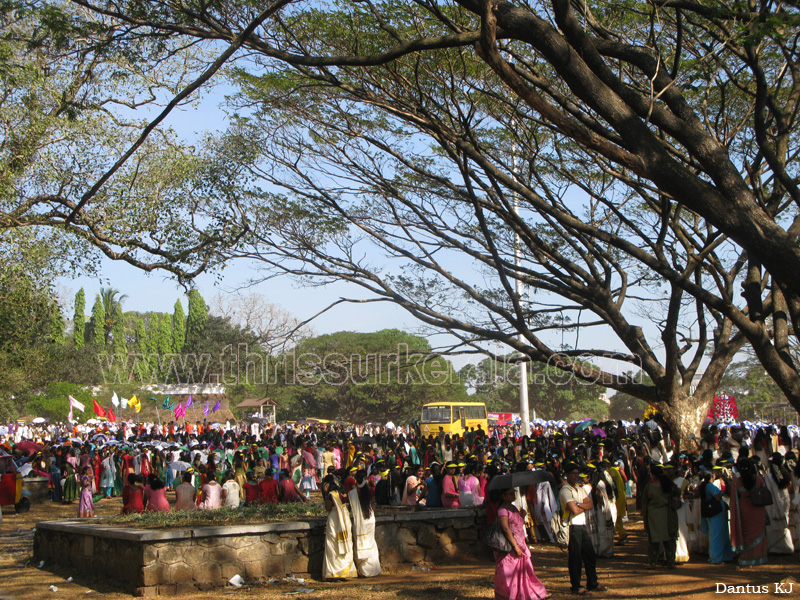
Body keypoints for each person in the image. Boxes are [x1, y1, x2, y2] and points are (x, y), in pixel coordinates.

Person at [493, 487, 549, 600]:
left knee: (525, 571)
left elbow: (517, 524)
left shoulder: (513, 508)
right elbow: (506, 528)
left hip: (521, 543)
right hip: (511, 546)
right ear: (504, 496)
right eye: (510, 493)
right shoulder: (503, 510)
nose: (513, 495)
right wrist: (515, 546)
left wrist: (522, 515)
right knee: (510, 572)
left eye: (514, 493)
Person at [559, 464, 606, 596]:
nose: (576, 476)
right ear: (567, 475)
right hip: (573, 526)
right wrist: (581, 506)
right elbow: (573, 510)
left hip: (582, 524)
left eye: (577, 473)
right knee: (575, 557)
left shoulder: (579, 489)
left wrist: (578, 504)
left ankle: (592, 582)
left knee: (589, 554)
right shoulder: (565, 491)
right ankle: (576, 585)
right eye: (573, 473)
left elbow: (589, 504)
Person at [729, 458, 769, 567]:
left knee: (746, 533)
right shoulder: (758, 479)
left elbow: (733, 498)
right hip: (758, 510)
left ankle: (746, 557)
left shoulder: (736, 482)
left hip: (744, 510)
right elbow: (764, 491)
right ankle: (759, 557)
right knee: (759, 531)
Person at [641, 464, 680, 568]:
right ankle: (671, 562)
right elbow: (677, 493)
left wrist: (644, 516)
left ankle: (653, 562)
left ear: (653, 476)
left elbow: (644, 502)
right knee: (669, 539)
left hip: (653, 516)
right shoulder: (669, 485)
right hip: (668, 514)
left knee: (654, 540)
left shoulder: (649, 486)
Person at [322, 478, 358, 580]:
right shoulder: (345, 493)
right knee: (347, 542)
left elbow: (328, 508)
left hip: (335, 519)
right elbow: (350, 506)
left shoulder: (331, 494)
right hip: (345, 518)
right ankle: (347, 570)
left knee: (333, 544)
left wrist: (326, 494)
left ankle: (336, 571)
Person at [348, 469, 381, 577]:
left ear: (356, 481)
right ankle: (373, 569)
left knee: (360, 542)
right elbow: (373, 505)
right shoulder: (370, 490)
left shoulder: (353, 493)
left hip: (359, 519)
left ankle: (363, 571)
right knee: (371, 542)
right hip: (370, 518)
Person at [699, 469, 734, 564]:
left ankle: (725, 556)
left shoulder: (704, 486)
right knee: (717, 536)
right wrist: (721, 493)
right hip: (716, 515)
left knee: (719, 535)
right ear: (712, 476)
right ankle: (716, 558)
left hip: (713, 514)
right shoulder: (710, 486)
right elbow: (717, 498)